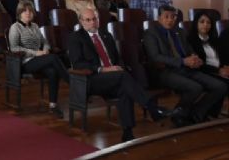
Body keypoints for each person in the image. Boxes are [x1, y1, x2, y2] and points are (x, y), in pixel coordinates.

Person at [68, 8, 170, 142]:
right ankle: (152, 107)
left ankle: (127, 132)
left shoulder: (106, 34)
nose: (92, 22)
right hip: (92, 78)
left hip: (114, 77)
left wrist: (117, 67)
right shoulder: (76, 37)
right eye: (88, 20)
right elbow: (77, 64)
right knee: (123, 77)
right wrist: (103, 70)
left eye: (94, 19)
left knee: (125, 88)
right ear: (81, 21)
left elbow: (117, 58)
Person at [143, 5, 227, 126]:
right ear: (159, 18)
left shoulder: (180, 32)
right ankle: (179, 115)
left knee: (220, 86)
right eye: (166, 17)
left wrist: (195, 58)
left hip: (186, 68)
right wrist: (182, 61)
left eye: (173, 17)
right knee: (195, 87)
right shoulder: (151, 33)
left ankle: (196, 113)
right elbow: (155, 56)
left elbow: (189, 50)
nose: (170, 20)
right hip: (165, 71)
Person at [8, 0, 69, 117]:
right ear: (19, 12)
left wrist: (45, 49)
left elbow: (45, 42)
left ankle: (53, 105)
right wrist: (36, 53)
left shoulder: (35, 26)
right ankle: (72, 82)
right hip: (24, 62)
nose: (28, 13)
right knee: (53, 58)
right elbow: (14, 48)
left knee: (53, 71)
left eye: (30, 11)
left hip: (39, 60)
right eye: (25, 11)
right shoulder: (15, 27)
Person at [188, 11, 229, 82]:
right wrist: (218, 70)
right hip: (207, 72)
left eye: (208, 22)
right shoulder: (190, 41)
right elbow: (198, 64)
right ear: (196, 24)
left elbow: (224, 55)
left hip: (221, 70)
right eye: (202, 22)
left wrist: (226, 66)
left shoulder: (215, 40)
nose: (205, 24)